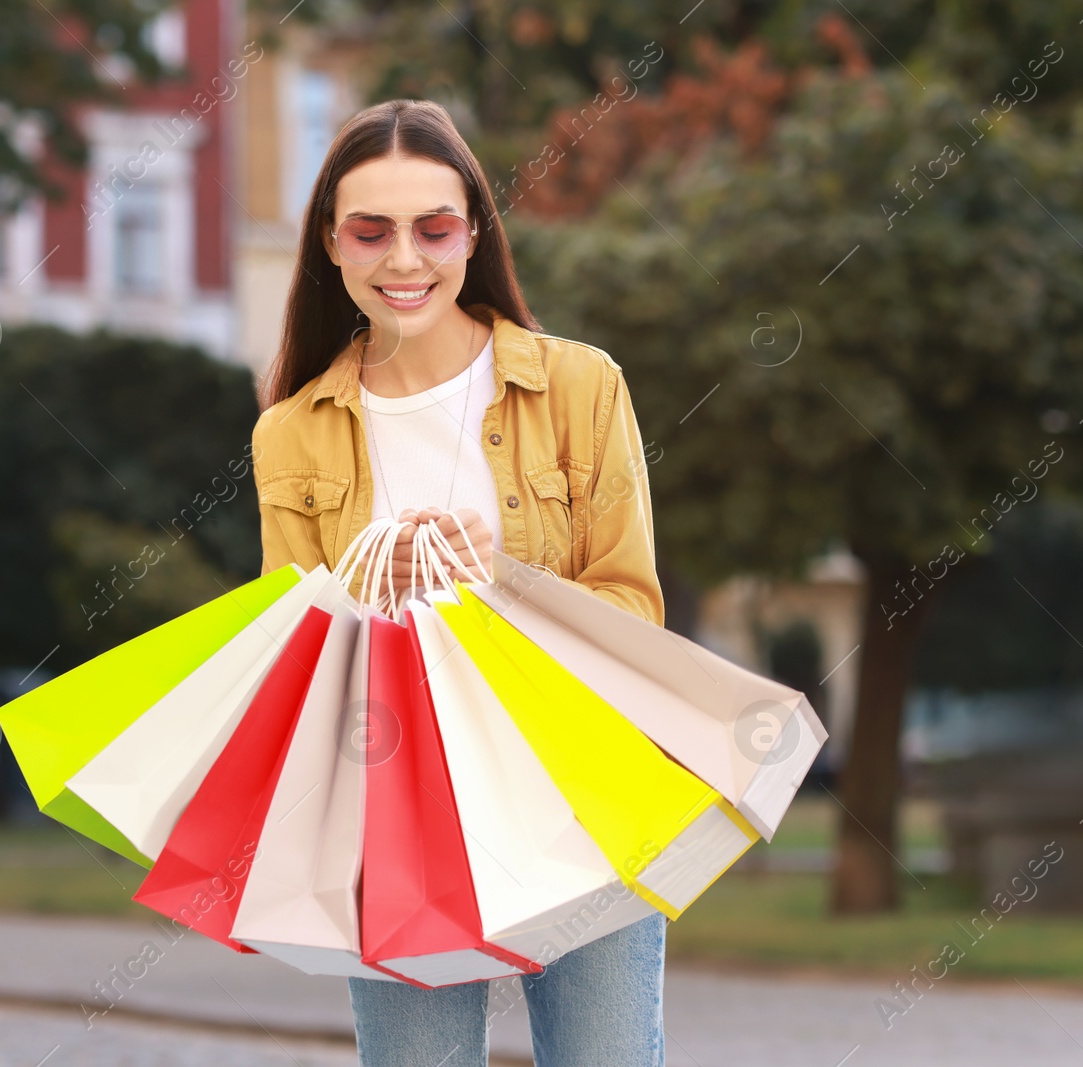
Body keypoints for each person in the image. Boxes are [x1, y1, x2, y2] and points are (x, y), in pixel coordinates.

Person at [250, 98, 667, 1067]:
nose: (406, 260)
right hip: (396, 816)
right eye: (372, 230)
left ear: (474, 233)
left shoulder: (578, 385)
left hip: (579, 798)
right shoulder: (291, 430)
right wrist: (359, 588)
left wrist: (501, 581)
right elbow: (285, 657)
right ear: (330, 244)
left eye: (434, 228)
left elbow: (634, 612)